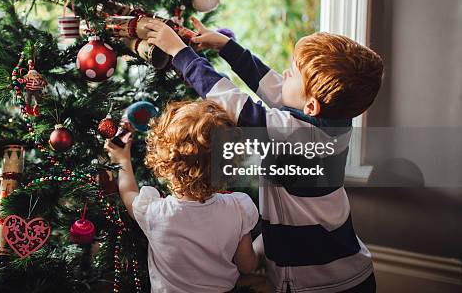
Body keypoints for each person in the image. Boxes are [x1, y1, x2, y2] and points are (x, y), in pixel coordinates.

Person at [142, 18, 383, 293]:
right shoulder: (333, 122)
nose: (283, 74)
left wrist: (180, 54)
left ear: (312, 105)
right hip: (349, 271)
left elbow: (233, 103)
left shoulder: (297, 137)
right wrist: (228, 47)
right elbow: (274, 88)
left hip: (318, 282)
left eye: (291, 73)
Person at [105, 100, 260, 293]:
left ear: (165, 162)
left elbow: (128, 192)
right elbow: (247, 265)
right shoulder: (238, 208)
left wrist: (122, 158)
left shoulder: (155, 212)